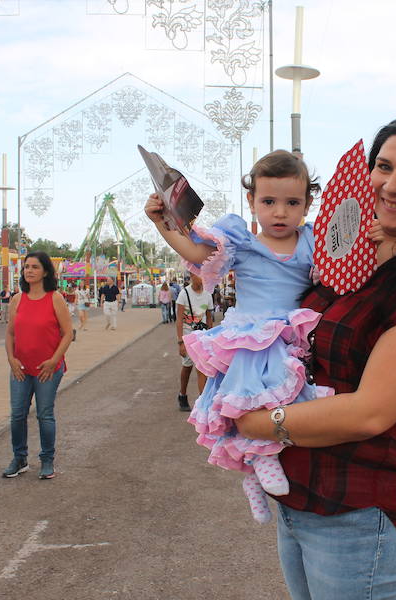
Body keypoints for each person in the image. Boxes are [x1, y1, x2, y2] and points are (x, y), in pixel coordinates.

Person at [232, 115, 396, 598]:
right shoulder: (353, 260)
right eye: (383, 166)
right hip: (301, 499)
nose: (392, 185)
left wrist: (253, 423)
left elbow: (370, 412)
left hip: (356, 512)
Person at [146, 149, 331, 524]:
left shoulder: (313, 241)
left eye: (292, 202)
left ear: (308, 204)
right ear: (252, 201)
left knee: (289, 403)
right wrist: (161, 224)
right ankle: (258, 464)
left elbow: (344, 264)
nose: (280, 212)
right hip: (251, 334)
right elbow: (195, 250)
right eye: (269, 201)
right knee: (251, 404)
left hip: (292, 332)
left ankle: (256, 473)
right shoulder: (240, 242)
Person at [3, 252, 73, 480]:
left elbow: (67, 333)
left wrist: (54, 361)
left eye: (34, 267)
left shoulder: (55, 298)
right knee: (17, 415)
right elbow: (10, 333)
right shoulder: (17, 299)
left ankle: (47, 460)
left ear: (45, 271)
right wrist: (11, 360)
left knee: (44, 414)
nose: (29, 271)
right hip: (20, 368)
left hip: (48, 369)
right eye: (26, 267)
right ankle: (19, 458)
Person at [173, 274, 214, 411]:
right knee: (187, 367)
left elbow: (209, 318)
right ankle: (182, 394)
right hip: (187, 335)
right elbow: (179, 320)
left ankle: (203, 403)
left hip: (202, 336)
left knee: (202, 368)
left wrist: (211, 338)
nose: (202, 278)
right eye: (199, 275)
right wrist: (180, 342)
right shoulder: (183, 294)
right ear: (191, 275)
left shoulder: (208, 295)